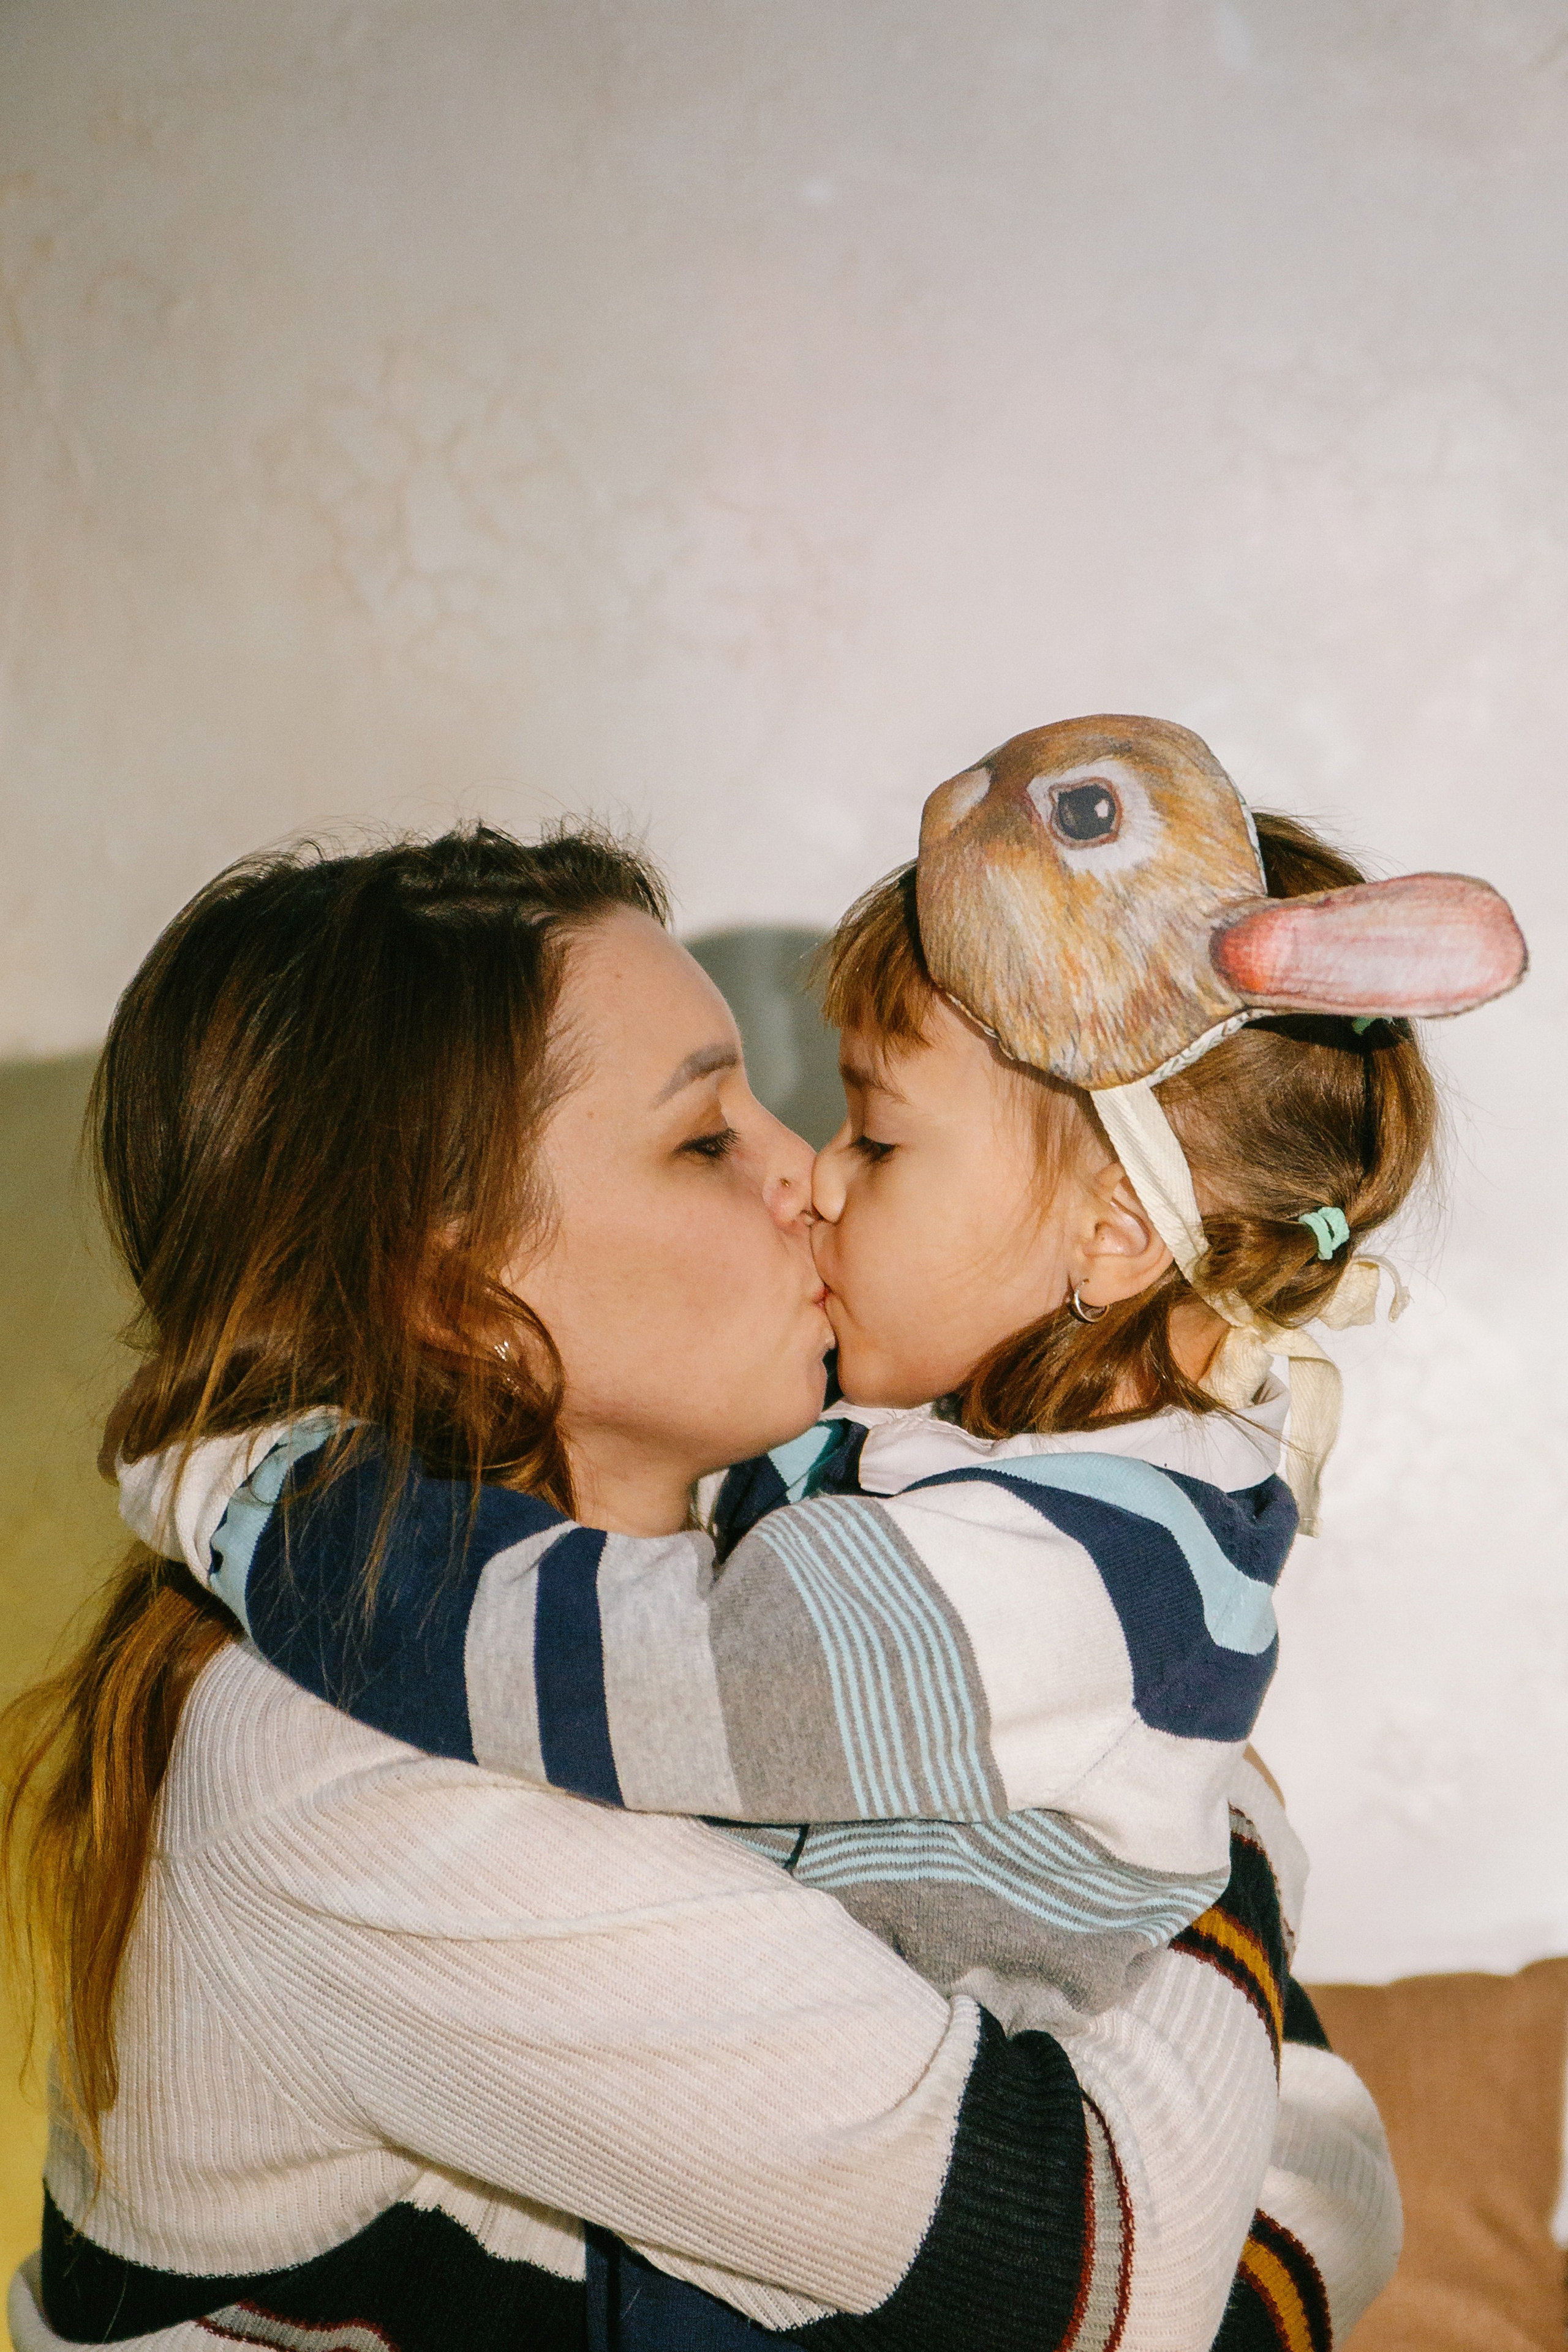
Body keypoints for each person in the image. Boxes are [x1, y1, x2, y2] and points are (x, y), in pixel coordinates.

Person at [42, 790, 1436, 2345]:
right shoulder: (345, 1776)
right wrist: (1216, 1801)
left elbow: (1339, 2169)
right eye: (705, 1136)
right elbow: (1108, 2276)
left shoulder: (760, 1590)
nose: (808, 1173)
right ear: (454, 1296)